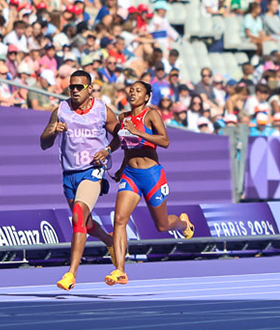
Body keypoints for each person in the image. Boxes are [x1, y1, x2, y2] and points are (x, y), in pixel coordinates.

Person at [105, 81, 194, 286]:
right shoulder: (123, 117)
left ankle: (183, 223)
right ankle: (120, 270)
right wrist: (121, 168)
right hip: (130, 175)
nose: (133, 93)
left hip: (152, 176)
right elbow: (127, 147)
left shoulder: (151, 115)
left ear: (146, 97)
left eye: (138, 91)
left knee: (162, 225)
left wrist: (139, 132)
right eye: (131, 90)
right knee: (120, 220)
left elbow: (165, 141)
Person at [40, 70, 118, 291]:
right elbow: (44, 143)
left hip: (92, 171)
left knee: (77, 216)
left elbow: (120, 135)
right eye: (71, 87)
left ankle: (71, 273)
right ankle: (110, 241)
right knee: (85, 222)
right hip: (69, 174)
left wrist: (107, 150)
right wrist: (53, 131)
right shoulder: (61, 110)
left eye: (79, 87)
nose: (74, 90)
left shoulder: (102, 110)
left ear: (89, 88)